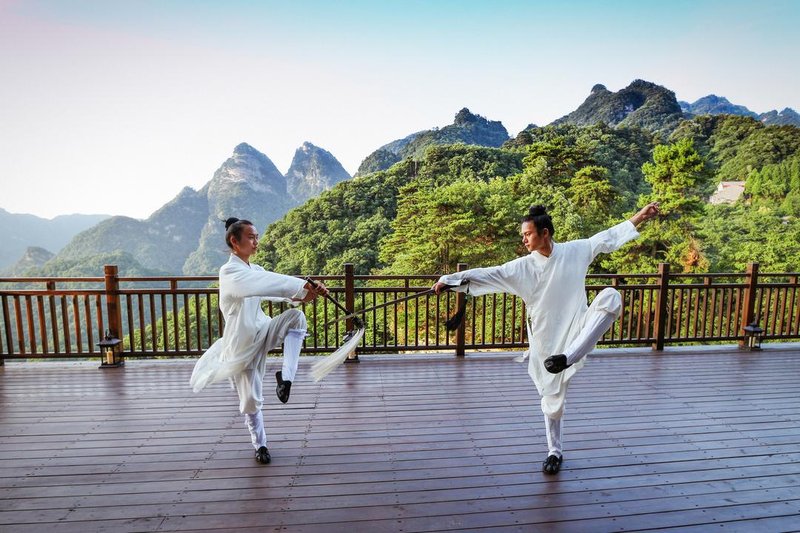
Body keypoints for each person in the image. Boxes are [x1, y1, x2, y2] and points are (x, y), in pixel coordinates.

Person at [433, 202, 660, 474]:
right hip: (546, 341)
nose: (524, 240)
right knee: (552, 400)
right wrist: (451, 280)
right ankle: (554, 451)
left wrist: (640, 217)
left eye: (528, 234)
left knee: (612, 297)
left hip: (577, 332)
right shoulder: (523, 267)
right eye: (523, 235)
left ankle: (569, 357)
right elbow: (491, 273)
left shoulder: (575, 251)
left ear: (545, 233)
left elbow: (608, 237)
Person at [190, 218, 327, 465]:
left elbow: (280, 293)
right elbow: (268, 284)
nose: (256, 242)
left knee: (296, 318)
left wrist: (309, 293)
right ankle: (260, 444)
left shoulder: (256, 270)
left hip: (263, 330)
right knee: (251, 400)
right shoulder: (230, 272)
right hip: (241, 345)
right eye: (251, 237)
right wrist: (302, 285)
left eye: (256, 237)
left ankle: (286, 378)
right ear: (235, 241)